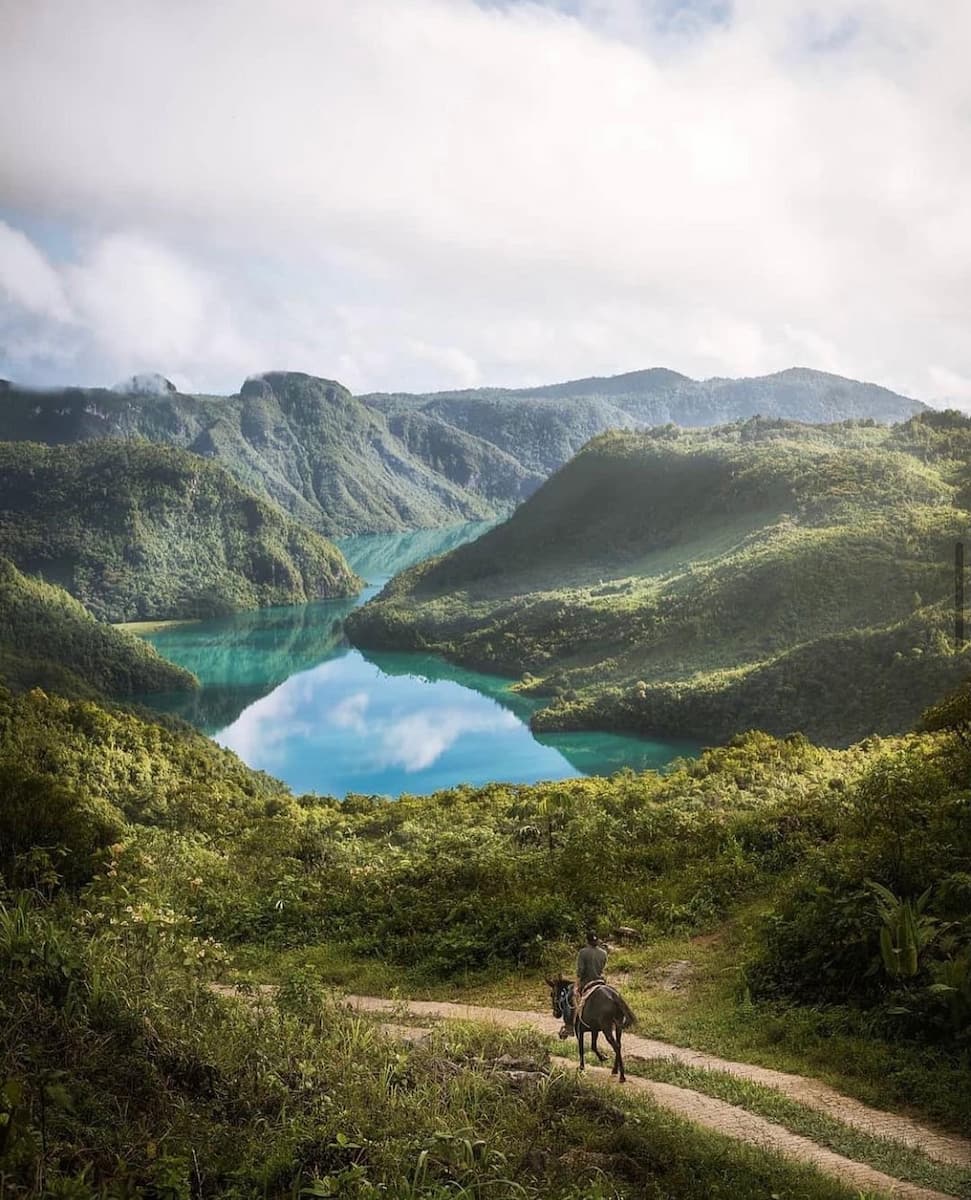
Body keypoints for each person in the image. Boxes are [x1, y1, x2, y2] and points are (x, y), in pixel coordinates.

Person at [575, 930, 608, 997]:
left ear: (587, 941)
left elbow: (581, 971)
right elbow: (602, 968)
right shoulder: (604, 953)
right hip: (600, 982)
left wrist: (576, 985)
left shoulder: (582, 952)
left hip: (586, 983)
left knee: (572, 997)